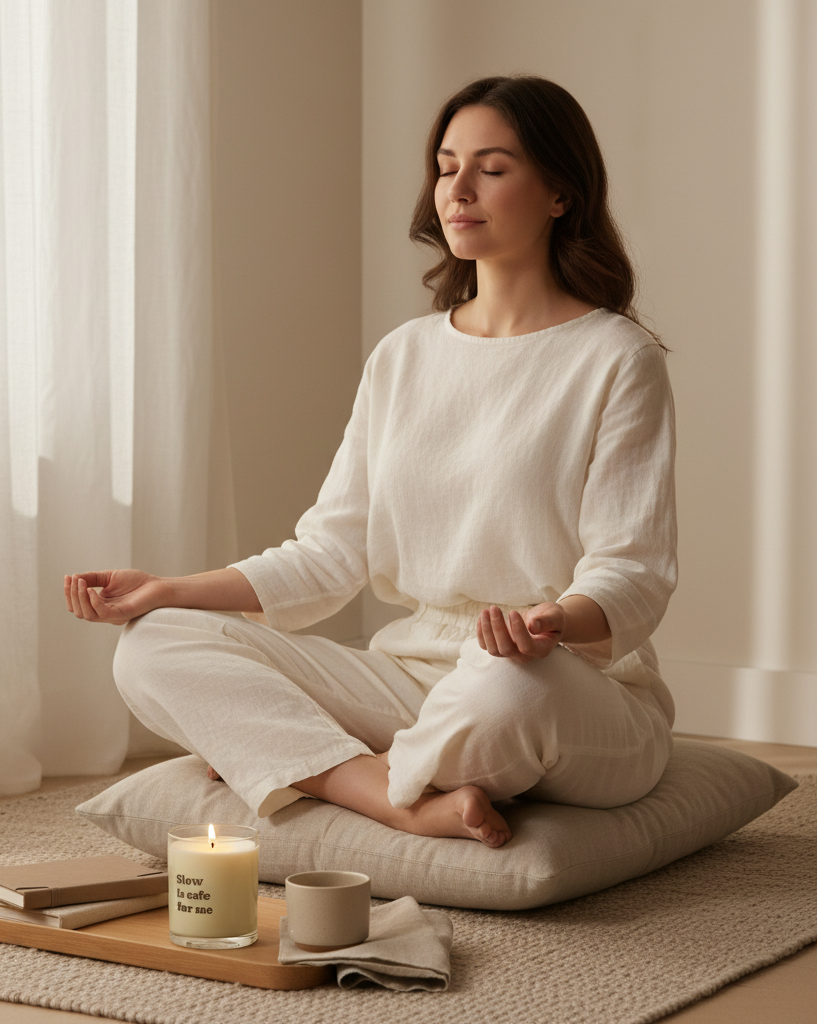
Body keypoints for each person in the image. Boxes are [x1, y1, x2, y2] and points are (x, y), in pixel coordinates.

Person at [64, 75, 676, 849]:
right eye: (446, 165)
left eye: (491, 168)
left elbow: (634, 569)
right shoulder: (403, 356)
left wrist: (554, 621)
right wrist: (168, 589)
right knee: (156, 642)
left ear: (561, 193)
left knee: (509, 691)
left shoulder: (618, 359)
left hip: (561, 683)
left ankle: (303, 762)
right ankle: (393, 797)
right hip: (415, 678)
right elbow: (331, 552)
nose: (457, 189)